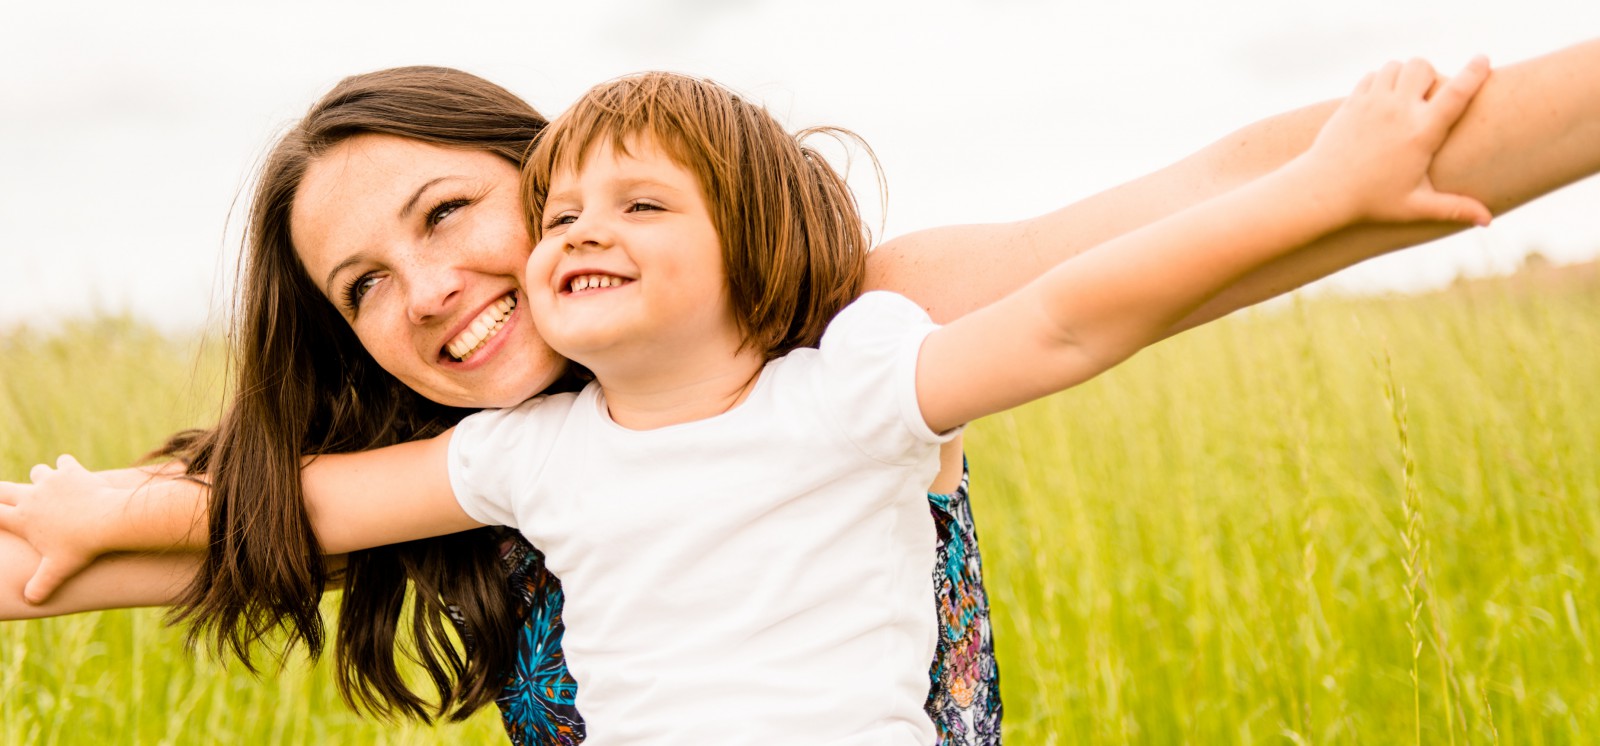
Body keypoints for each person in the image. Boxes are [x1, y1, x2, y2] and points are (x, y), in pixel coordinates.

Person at [3, 38, 1600, 742]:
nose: (423, 292)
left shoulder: (844, 339)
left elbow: (1169, 229)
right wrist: (70, 523)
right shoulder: (499, 458)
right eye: (360, 287)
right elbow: (203, 535)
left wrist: (1348, 172)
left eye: (446, 215)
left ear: (556, 177)